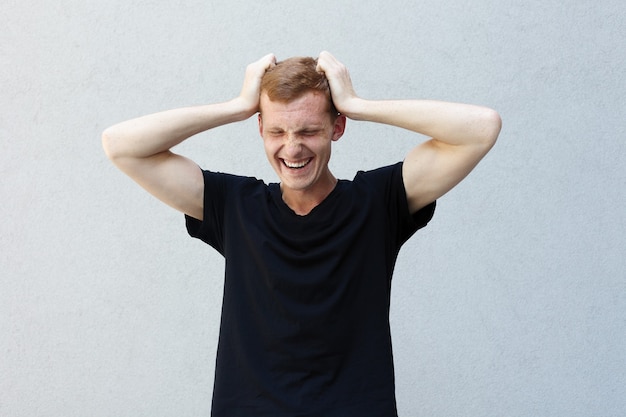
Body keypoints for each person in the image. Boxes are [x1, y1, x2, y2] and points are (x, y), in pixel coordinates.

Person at [102, 51, 501, 416]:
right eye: (277, 132)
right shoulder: (235, 205)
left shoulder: (378, 203)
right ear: (260, 128)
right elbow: (120, 145)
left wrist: (359, 105)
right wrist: (236, 106)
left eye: (309, 130)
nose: (292, 149)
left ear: (336, 127)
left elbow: (481, 128)